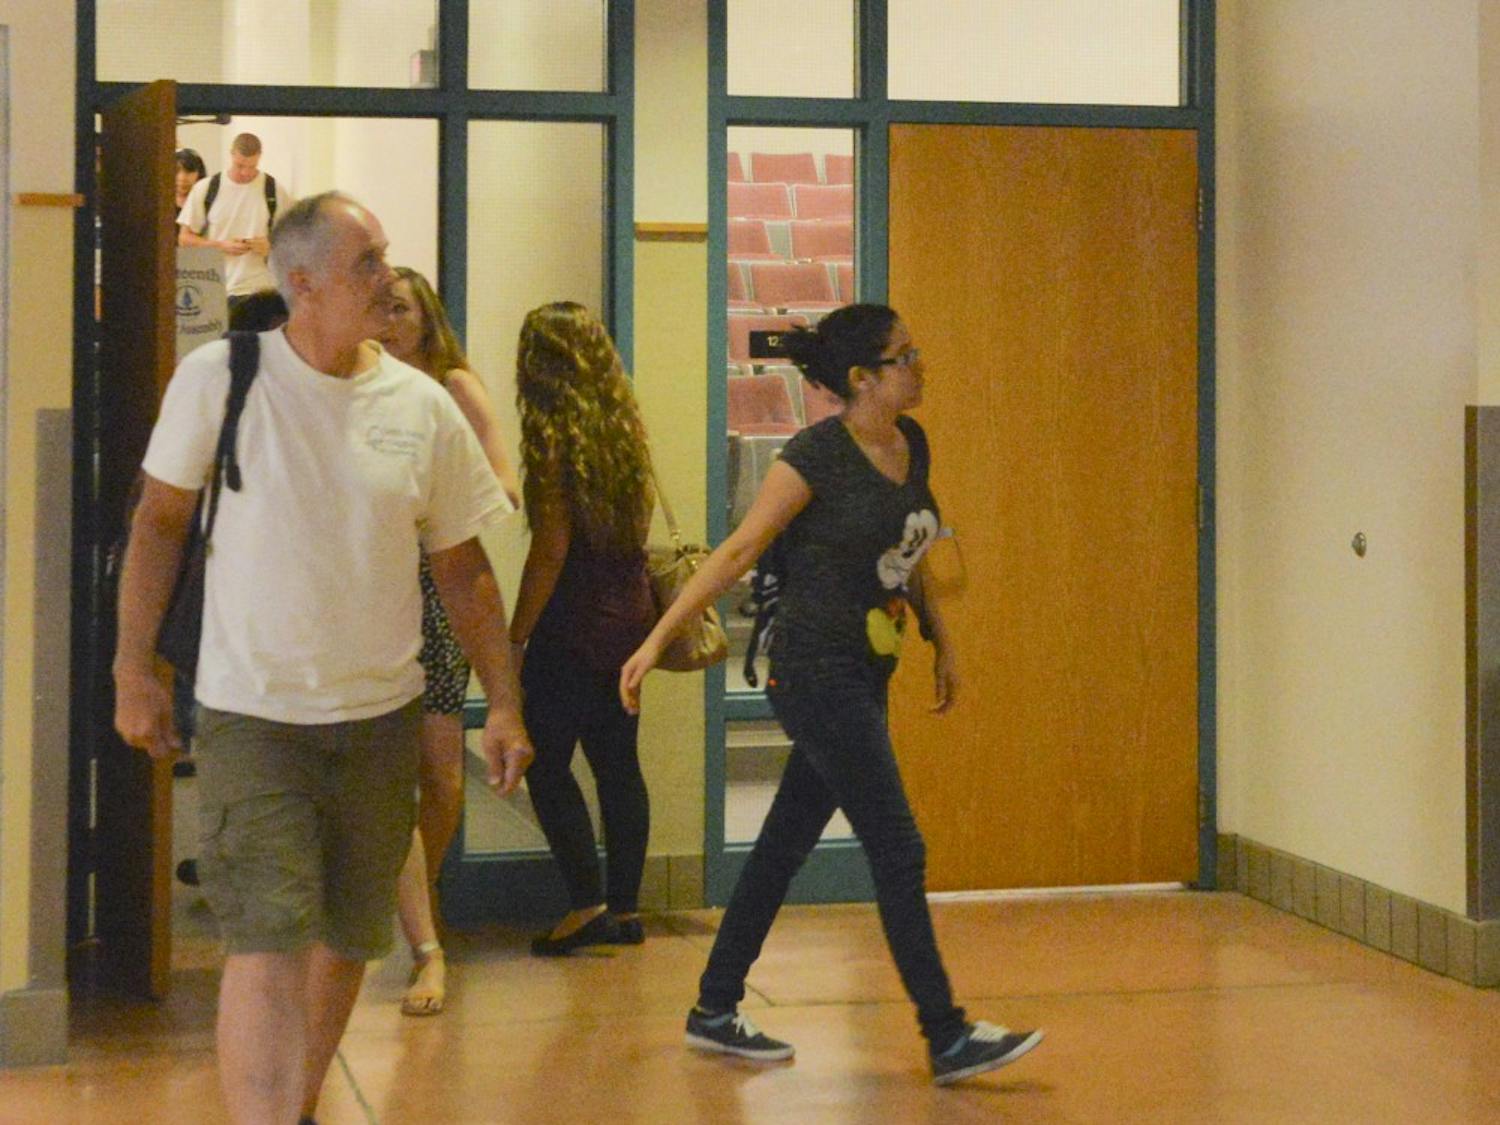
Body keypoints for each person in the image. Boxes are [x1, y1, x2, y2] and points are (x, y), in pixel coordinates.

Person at [114, 191, 533, 1125]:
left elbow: (464, 570)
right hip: (252, 714)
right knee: (266, 939)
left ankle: (296, 1103)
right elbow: (158, 524)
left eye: (384, 256)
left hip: (380, 717)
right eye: (367, 262)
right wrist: (132, 668)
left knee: (349, 935)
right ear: (300, 283)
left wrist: (501, 700)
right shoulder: (221, 379)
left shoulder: (420, 405)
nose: (387, 277)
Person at [619, 304, 1044, 1086]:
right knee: (898, 843)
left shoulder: (909, 443)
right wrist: (655, 637)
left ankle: (714, 1007)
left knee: (782, 844)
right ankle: (945, 1032)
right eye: (905, 355)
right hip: (815, 671)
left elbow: (908, 548)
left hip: (865, 670)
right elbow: (742, 546)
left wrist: (941, 640)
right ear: (862, 378)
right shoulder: (813, 454)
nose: (920, 364)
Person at [378, 266, 521, 1016]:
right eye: (382, 309)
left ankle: (415, 897)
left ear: (427, 317)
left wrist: (442, 505)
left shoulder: (453, 388)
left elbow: (504, 479)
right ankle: (422, 937)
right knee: (391, 777)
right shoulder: (357, 385)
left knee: (442, 779)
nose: (388, 321)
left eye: (400, 308)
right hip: (375, 594)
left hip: (441, 590)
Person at [510, 301, 657, 956]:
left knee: (544, 760)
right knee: (619, 765)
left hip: (571, 625)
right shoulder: (626, 431)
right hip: (627, 618)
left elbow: (550, 547)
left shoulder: (553, 439)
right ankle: (625, 906)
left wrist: (514, 636)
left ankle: (585, 901)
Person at [177, 132, 295, 309]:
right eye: (240, 165)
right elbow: (185, 239)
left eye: (252, 166)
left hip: (262, 291)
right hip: (218, 290)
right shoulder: (207, 189)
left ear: (259, 158)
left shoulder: (274, 190)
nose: (246, 172)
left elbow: (293, 241)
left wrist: (271, 246)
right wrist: (221, 245)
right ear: (231, 155)